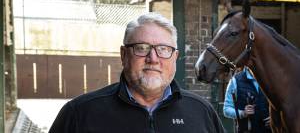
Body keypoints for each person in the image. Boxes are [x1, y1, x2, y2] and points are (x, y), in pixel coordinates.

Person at [49, 12, 225, 133]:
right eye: (141, 48)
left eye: (163, 49)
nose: (153, 58)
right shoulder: (79, 114)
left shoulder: (202, 112)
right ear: (124, 55)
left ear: (175, 57)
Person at [223, 67, 271, 133]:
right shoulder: (235, 81)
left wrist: (275, 118)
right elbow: (226, 109)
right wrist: (242, 113)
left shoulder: (271, 78)